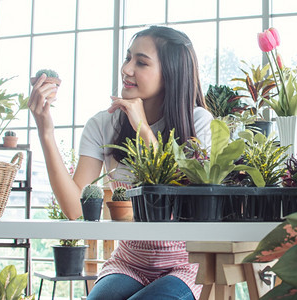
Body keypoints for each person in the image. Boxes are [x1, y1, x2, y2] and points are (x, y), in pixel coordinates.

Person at [29, 26, 213, 300]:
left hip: (187, 265)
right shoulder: (103, 124)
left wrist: (141, 127)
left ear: (171, 72)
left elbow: (183, 198)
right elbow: (75, 209)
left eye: (141, 62)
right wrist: (45, 130)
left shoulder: (198, 122)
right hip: (129, 263)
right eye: (128, 58)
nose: (126, 69)